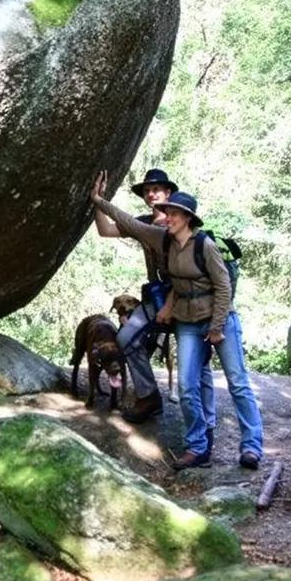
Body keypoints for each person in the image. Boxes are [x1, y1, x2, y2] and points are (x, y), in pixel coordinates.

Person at [90, 171, 264, 470]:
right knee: (186, 385)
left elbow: (223, 287)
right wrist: (98, 200)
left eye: (172, 213)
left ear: (187, 218)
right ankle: (198, 446)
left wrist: (217, 327)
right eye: (166, 212)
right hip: (186, 318)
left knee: (237, 383)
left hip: (218, 319)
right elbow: (125, 222)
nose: (166, 216)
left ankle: (250, 446)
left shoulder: (204, 245)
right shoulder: (161, 238)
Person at [94, 169, 216, 443]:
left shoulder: (181, 225)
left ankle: (208, 421)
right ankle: (148, 396)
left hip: (186, 298)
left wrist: (170, 306)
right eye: (147, 191)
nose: (151, 194)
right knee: (126, 337)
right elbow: (105, 230)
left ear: (168, 193)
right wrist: (97, 202)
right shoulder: (143, 223)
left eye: (157, 189)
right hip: (156, 295)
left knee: (197, 358)